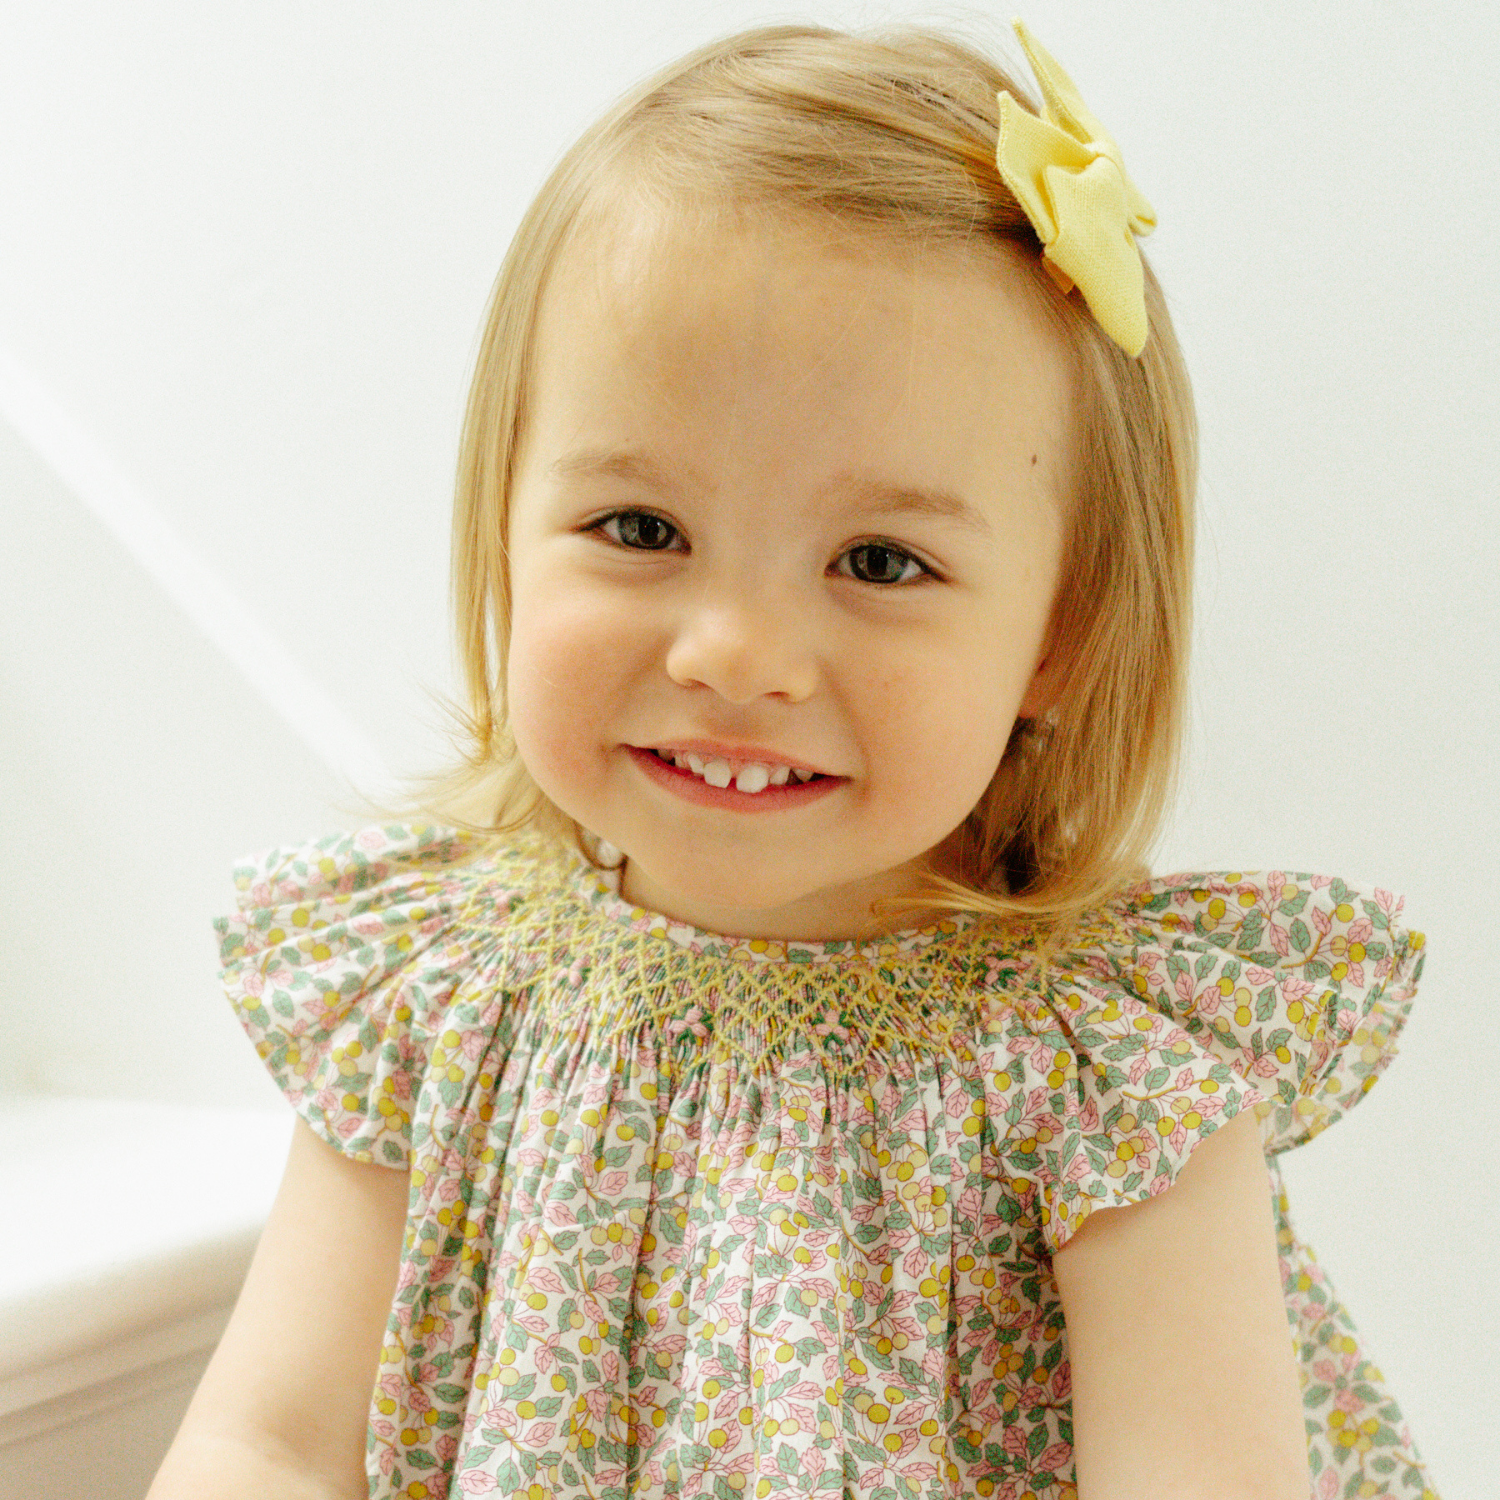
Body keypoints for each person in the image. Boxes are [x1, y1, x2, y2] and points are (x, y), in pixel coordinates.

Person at [148, 19, 1437, 1500]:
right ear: (503, 534)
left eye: (878, 561)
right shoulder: (442, 998)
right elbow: (273, 1441)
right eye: (640, 530)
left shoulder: (1104, 1075)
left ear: (1062, 635)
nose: (736, 655)